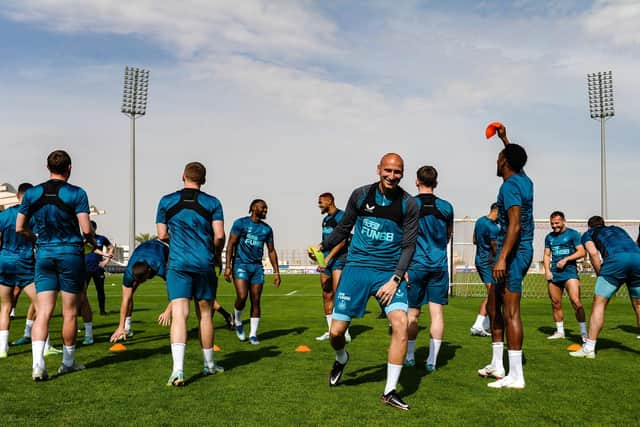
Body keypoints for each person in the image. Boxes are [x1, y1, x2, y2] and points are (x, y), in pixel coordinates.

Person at [320, 153, 419, 411]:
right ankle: (342, 358)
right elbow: (343, 228)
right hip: (356, 269)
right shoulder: (360, 195)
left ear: (403, 173)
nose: (392, 176)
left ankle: (389, 391)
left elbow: (409, 246)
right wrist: (324, 245)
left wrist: (395, 279)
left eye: (397, 172)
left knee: (401, 324)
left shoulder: (409, 204)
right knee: (336, 333)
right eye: (388, 170)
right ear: (378, 169)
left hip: (388, 273)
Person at [16, 151, 96, 380]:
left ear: (47, 167)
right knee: (69, 312)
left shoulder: (31, 193)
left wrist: (35, 237)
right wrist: (90, 242)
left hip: (45, 254)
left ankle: (37, 364)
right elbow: (87, 229)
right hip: (70, 253)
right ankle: (67, 363)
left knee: (43, 312)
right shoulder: (77, 193)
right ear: (69, 168)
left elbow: (20, 228)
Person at [156, 162, 226, 386]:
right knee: (205, 315)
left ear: (183, 176)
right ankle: (209, 365)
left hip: (178, 264)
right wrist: (216, 253)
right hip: (204, 263)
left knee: (179, 314)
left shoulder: (166, 201)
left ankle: (178, 370)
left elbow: (161, 234)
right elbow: (219, 235)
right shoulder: (212, 203)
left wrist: (178, 240)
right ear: (203, 180)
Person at [477, 125, 533, 389]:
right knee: (493, 305)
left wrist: (501, 259)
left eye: (499, 157)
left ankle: (516, 376)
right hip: (512, 250)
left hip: (513, 252)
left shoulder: (510, 186)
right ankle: (498, 364)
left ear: (504, 162)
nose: (496, 161)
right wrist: (505, 140)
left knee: (510, 312)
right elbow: (516, 161)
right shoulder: (523, 179)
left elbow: (515, 225)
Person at [1, 183, 61, 358]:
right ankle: (46, 345)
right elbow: (41, 239)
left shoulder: (3, 215)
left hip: (4, 261)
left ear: (18, 196)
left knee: (5, 306)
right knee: (41, 306)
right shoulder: (33, 216)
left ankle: (2, 348)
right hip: (24, 262)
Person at [404, 166, 453, 373]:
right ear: (436, 183)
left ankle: (409, 356)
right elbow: (448, 234)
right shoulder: (447, 207)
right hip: (439, 265)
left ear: (417, 181)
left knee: (413, 314)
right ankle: (432, 361)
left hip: (415, 265)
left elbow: (403, 236)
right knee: (437, 313)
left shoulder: (409, 204)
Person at [570, 216, 640, 358]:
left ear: (589, 226)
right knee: (639, 304)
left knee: (599, 303)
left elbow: (594, 253)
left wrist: (600, 275)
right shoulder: (618, 229)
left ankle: (589, 348)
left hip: (616, 261)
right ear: (604, 224)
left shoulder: (588, 234)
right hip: (637, 258)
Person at [224, 199, 281, 345]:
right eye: (263, 208)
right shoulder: (240, 223)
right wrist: (228, 266)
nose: (265, 211)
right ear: (254, 208)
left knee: (256, 300)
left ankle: (253, 334)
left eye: (266, 209)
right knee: (242, 297)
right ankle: (237, 320)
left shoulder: (267, 229)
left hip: (257, 268)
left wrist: (276, 272)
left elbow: (272, 251)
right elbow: (230, 245)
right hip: (240, 264)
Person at [543, 211, 587, 341]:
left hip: (570, 273)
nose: (554, 226)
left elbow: (582, 252)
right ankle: (560, 331)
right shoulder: (549, 237)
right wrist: (547, 270)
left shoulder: (573, 234)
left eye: (557, 223)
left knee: (576, 301)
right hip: (554, 274)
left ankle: (584, 333)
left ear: (563, 221)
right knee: (556, 303)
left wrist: (566, 259)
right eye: (552, 223)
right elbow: (546, 255)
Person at [312, 193, 350, 342]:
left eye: (320, 202)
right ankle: (330, 330)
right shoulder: (325, 220)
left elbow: (342, 240)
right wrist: (318, 255)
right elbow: (326, 241)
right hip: (326, 261)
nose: (319, 205)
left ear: (329, 201)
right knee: (326, 293)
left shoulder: (341, 216)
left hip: (339, 259)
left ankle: (344, 331)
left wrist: (329, 258)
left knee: (339, 294)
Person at [79, 221, 114, 345]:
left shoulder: (101, 238)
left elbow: (110, 247)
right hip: (84, 268)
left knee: (100, 290)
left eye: (90, 227)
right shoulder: (81, 238)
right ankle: (79, 311)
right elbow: (91, 249)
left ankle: (102, 310)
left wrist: (106, 260)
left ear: (94, 228)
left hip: (98, 268)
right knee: (82, 292)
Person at [470, 203, 499, 337]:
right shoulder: (493, 227)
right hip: (488, 262)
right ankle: (479, 325)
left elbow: (474, 239)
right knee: (492, 293)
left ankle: (484, 324)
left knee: (493, 293)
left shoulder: (480, 221)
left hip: (479, 260)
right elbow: (495, 248)